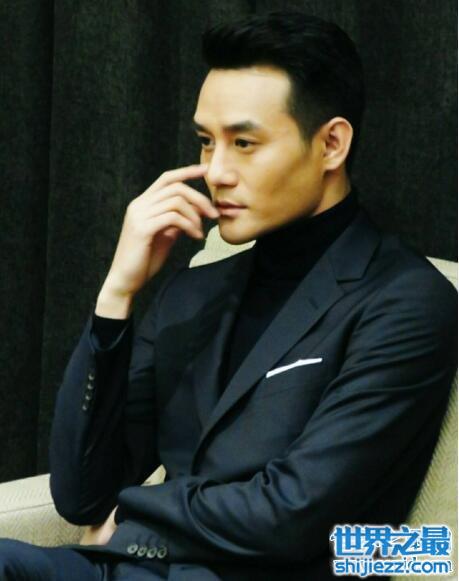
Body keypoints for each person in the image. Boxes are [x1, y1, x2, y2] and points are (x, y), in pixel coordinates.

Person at [0, 10, 456, 581]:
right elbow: (82, 495)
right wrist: (116, 295)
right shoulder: (198, 290)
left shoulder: (405, 303)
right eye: (205, 142)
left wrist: (139, 515)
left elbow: (291, 514)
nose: (215, 172)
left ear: (331, 144)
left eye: (243, 143)